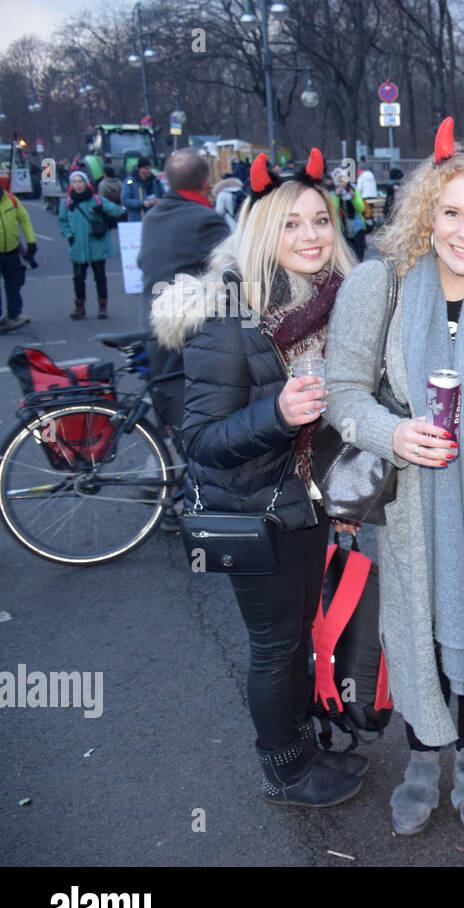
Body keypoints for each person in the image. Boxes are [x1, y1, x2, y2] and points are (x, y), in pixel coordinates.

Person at [325, 119, 464, 835]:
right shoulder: (377, 284)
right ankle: (424, 756)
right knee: (413, 626)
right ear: (427, 211)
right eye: (451, 211)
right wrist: (391, 432)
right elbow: (342, 392)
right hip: (408, 509)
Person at [150, 148, 365, 806]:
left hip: (309, 504)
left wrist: (354, 490)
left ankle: (303, 739)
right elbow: (201, 443)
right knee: (275, 644)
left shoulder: (337, 305)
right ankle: (284, 769)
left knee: (303, 631)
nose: (310, 236)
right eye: (291, 223)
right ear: (262, 231)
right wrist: (275, 414)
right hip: (251, 512)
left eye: (321, 221)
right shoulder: (229, 317)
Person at [137, 148, 231, 438]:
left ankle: (163, 467)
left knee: (167, 406)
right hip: (187, 327)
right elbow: (232, 269)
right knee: (198, 409)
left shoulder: (153, 215)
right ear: (206, 182)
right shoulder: (205, 218)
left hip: (153, 320)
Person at [58, 170, 124, 320]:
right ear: (71, 185)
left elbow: (117, 211)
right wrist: (69, 237)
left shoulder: (97, 199)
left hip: (97, 244)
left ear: (86, 183)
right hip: (78, 245)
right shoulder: (67, 203)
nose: (78, 185)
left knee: (100, 277)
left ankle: (103, 307)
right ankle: (80, 306)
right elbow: (62, 222)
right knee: (78, 278)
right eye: (74, 182)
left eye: (80, 181)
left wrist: (102, 208)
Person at [0, 185, 36, 333]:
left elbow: (24, 218)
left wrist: (31, 241)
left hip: (11, 250)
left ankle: (14, 314)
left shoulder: (11, 199)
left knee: (14, 282)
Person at [330, 168, 368, 261]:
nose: (342, 182)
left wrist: (353, 198)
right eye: (339, 180)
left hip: (357, 226)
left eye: (344, 179)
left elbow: (361, 208)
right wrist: (336, 196)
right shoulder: (333, 193)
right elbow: (332, 210)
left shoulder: (354, 190)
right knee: (347, 254)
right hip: (342, 228)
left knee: (359, 252)